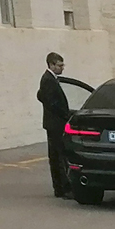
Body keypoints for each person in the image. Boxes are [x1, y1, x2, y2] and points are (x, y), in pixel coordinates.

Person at [37, 53, 73, 197]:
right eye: (59, 65)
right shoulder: (48, 80)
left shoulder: (50, 79)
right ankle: (62, 187)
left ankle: (60, 186)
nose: (62, 68)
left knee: (56, 155)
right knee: (58, 156)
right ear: (51, 64)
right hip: (55, 124)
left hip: (53, 123)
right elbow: (52, 102)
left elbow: (40, 95)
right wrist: (66, 115)